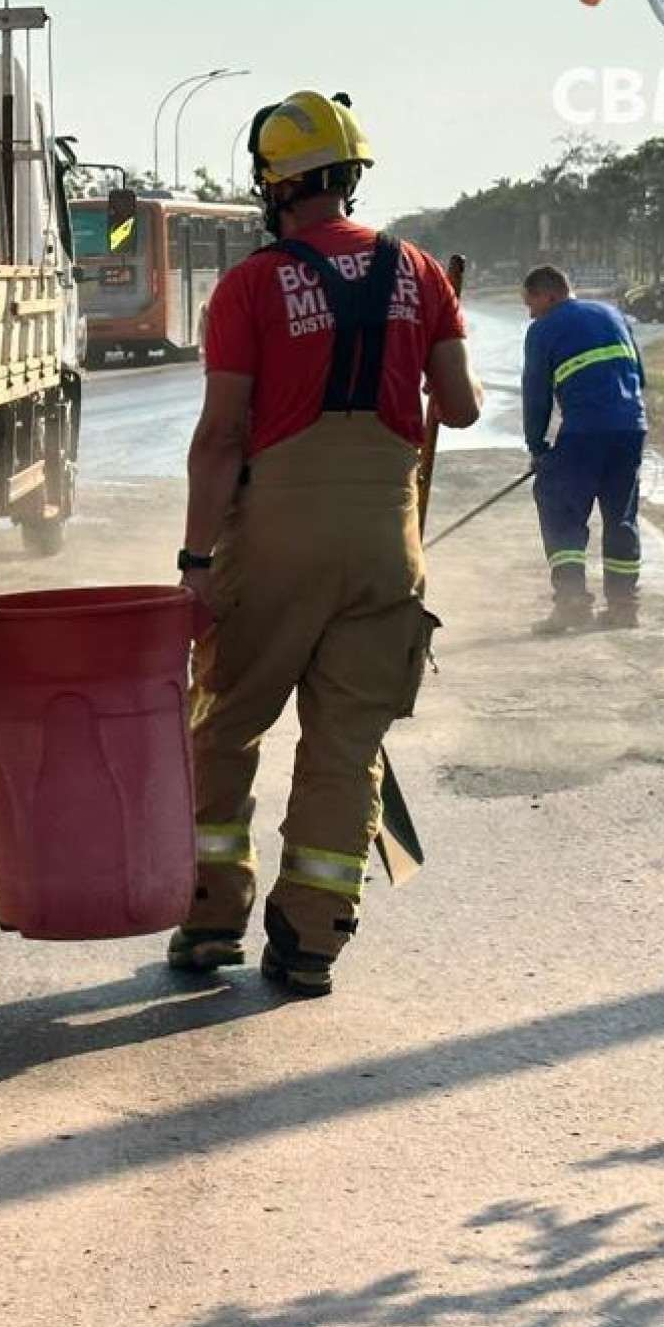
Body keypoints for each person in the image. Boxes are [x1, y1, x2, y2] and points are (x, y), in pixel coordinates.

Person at [170, 91, 482, 996]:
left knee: (224, 724)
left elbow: (222, 438)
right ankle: (313, 939)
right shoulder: (420, 273)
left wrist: (195, 564)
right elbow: (456, 408)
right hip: (386, 541)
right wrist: (437, 321)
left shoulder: (252, 285)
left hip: (275, 542)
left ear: (272, 186)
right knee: (348, 744)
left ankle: (210, 915)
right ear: (351, 174)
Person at [519, 265, 648, 631]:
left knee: (559, 504)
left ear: (549, 295)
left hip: (586, 431)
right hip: (631, 427)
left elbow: (536, 394)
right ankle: (624, 606)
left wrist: (537, 446)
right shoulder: (613, 313)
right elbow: (641, 374)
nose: (531, 313)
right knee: (621, 514)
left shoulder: (543, 329)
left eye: (531, 304)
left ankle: (572, 602)